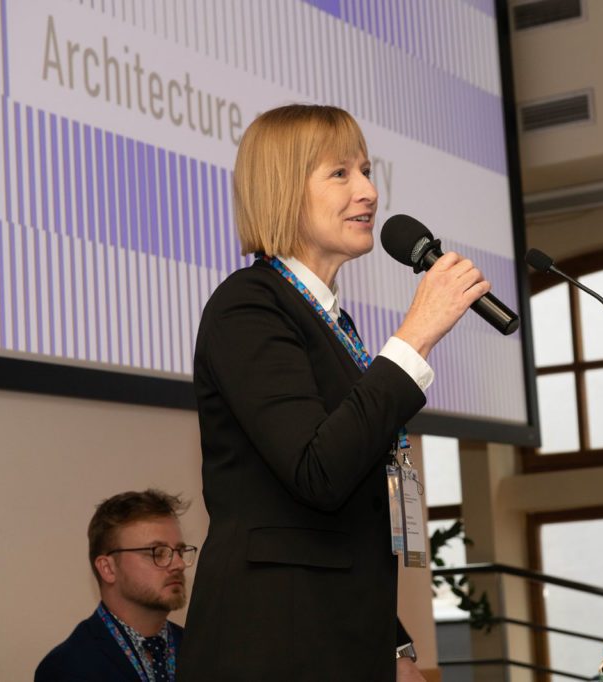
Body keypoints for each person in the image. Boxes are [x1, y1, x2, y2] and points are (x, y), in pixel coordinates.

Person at [176, 104, 492, 681]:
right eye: (341, 173)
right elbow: (317, 472)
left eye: (366, 171)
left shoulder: (333, 324)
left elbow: (343, 524)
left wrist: (393, 646)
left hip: (339, 638)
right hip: (272, 648)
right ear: (283, 189)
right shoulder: (247, 306)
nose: (368, 191)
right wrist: (416, 335)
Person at [35, 489, 197, 682]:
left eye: (180, 551)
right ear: (108, 569)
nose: (179, 564)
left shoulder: (202, 651)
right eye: (158, 552)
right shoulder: (67, 669)